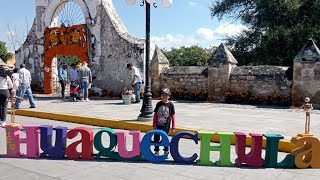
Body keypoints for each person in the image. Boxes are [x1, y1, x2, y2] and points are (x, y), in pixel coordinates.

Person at [152, 88, 176, 155]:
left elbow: (173, 116)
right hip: (158, 125)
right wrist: (154, 125)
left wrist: (173, 126)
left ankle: (166, 150)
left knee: (165, 138)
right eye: (163, 95)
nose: (164, 97)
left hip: (166, 125)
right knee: (156, 137)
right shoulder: (158, 104)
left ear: (169, 96)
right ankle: (156, 150)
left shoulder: (171, 105)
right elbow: (155, 115)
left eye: (166, 95)